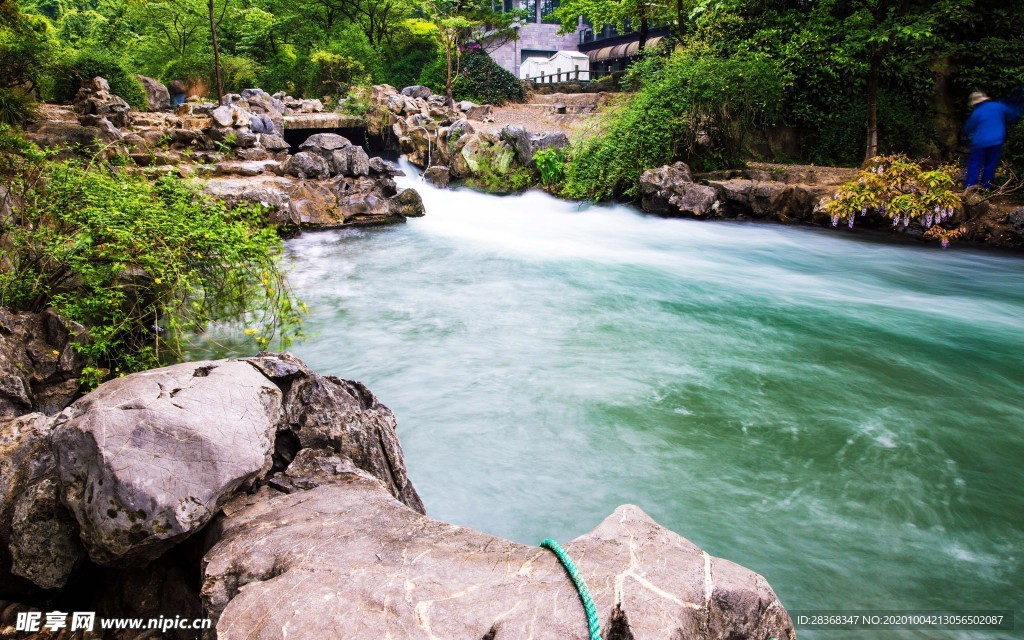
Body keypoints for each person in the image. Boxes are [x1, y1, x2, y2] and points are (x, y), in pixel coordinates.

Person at [962, 91, 1022, 189]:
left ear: (975, 103)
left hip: (980, 142)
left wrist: (966, 136)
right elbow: (1012, 113)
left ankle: (969, 187)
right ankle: (986, 188)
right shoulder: (998, 106)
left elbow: (968, 128)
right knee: (990, 165)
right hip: (996, 141)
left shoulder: (977, 112)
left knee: (975, 164)